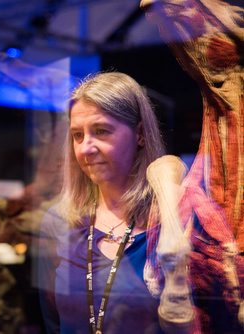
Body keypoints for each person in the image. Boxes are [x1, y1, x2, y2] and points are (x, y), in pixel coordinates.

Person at [38, 71, 166, 334]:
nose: (85, 148)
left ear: (140, 134)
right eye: (77, 135)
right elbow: (51, 320)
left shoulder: (170, 221)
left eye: (101, 131)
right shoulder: (59, 221)